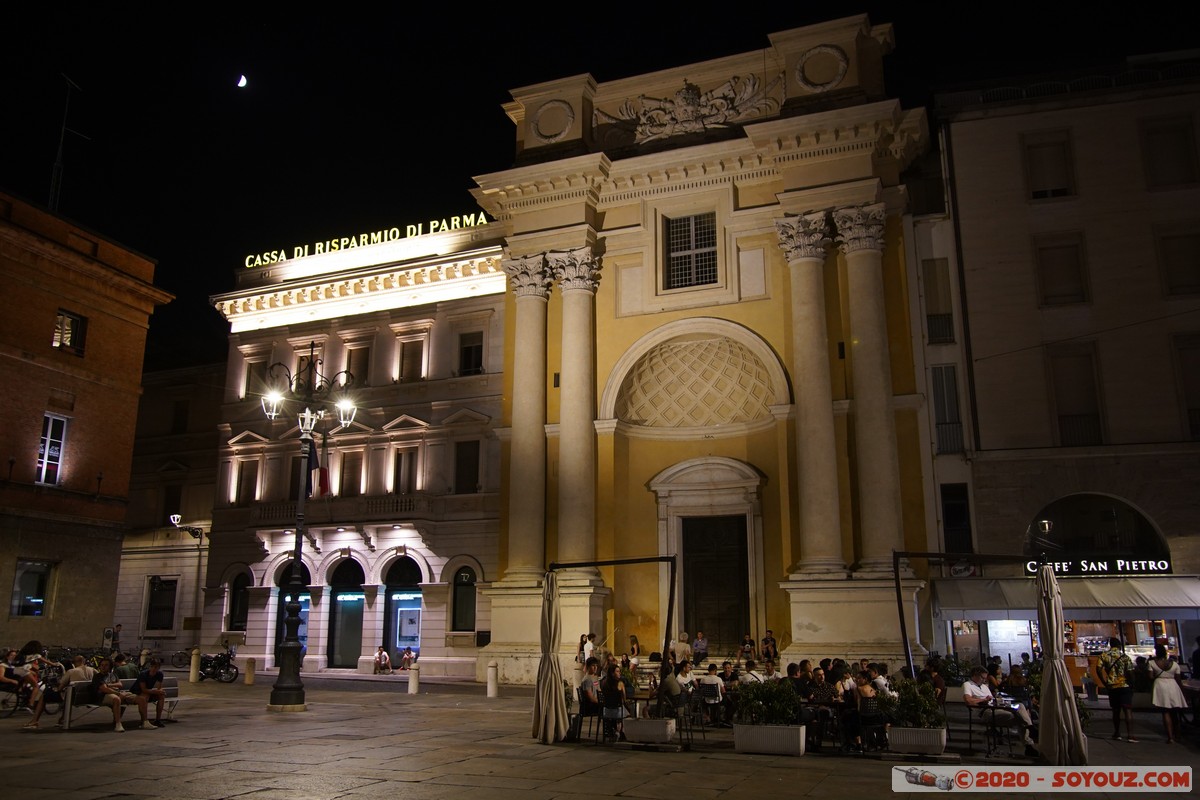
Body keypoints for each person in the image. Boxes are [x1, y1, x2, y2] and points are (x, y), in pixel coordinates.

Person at [963, 665, 1036, 756]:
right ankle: (1029, 741)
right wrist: (983, 700)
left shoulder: (984, 686)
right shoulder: (968, 684)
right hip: (987, 711)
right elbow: (968, 701)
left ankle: (1030, 729)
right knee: (1021, 717)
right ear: (975, 675)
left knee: (1020, 706)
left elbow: (992, 699)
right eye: (982, 678)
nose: (984, 680)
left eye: (985, 678)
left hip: (996, 707)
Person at [25, 655, 93, 729]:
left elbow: (60, 688)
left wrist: (55, 686)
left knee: (44, 695)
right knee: (68, 695)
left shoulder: (71, 671)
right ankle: (62, 719)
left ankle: (34, 721)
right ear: (84, 661)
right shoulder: (92, 670)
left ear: (75, 662)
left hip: (72, 698)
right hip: (87, 697)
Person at [91, 657, 153, 732]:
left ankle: (145, 722)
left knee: (141, 699)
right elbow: (104, 689)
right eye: (102, 665)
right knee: (116, 699)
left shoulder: (113, 675)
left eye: (106, 665)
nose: (103, 667)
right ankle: (118, 724)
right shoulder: (97, 676)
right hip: (104, 695)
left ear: (110, 666)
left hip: (118, 693)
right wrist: (118, 693)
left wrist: (109, 685)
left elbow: (120, 684)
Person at [1096, 637, 1138, 742]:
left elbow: (1098, 669)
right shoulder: (1125, 657)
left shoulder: (1104, 656)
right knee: (1127, 710)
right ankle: (1130, 735)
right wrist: (1132, 685)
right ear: (1119, 645)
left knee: (1115, 711)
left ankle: (1117, 733)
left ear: (1110, 645)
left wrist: (1104, 682)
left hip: (1112, 686)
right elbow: (1131, 672)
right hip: (1124, 686)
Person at [1148, 643, 1186, 743]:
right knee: (1175, 712)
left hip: (1160, 685)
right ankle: (1178, 735)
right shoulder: (1174, 664)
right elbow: (1178, 679)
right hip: (1173, 685)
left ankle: (1170, 737)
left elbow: (1150, 677)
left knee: (1165, 712)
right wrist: (1182, 691)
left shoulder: (1152, 663)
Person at [135, 658, 167, 727]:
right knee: (145, 697)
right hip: (138, 691)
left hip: (149, 691)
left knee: (161, 696)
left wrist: (160, 691)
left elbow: (159, 687)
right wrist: (155, 691)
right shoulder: (143, 674)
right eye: (152, 667)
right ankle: (144, 720)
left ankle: (158, 720)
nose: (153, 669)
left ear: (158, 667)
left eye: (156, 667)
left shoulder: (159, 674)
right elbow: (143, 689)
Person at [600, 662, 628, 740]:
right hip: (617, 711)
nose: (620, 673)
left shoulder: (603, 683)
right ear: (612, 673)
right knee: (629, 711)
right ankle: (619, 732)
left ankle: (613, 730)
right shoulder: (620, 684)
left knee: (616, 714)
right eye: (617, 671)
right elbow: (624, 698)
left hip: (606, 710)